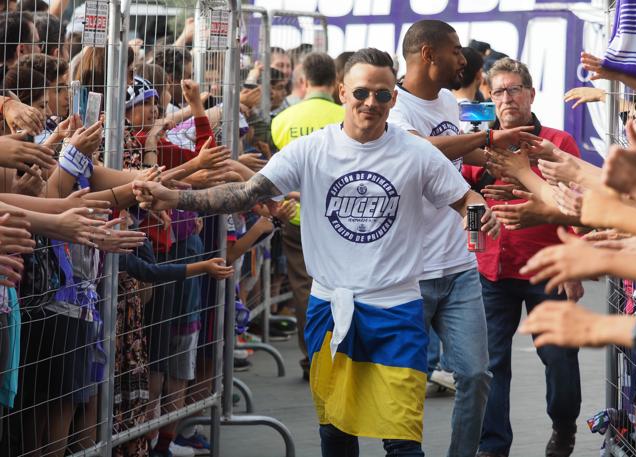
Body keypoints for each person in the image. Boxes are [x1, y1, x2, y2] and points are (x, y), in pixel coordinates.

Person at [133, 47, 498, 457]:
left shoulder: (416, 154)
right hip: (332, 309)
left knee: (402, 437)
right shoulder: (311, 150)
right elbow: (244, 193)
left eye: (382, 95)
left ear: (394, 98)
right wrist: (173, 196)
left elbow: (469, 200)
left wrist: (478, 230)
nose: (370, 104)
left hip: (397, 311)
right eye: (361, 93)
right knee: (336, 433)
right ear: (343, 92)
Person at [388, 20, 500, 457]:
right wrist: (489, 137)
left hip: (458, 269)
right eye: (455, 50)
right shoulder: (394, 109)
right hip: (410, 274)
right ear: (428, 54)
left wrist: (511, 162)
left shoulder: (450, 101)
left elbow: (459, 164)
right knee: (405, 381)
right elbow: (423, 152)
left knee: (475, 375)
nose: (464, 59)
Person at [461, 57, 584, 457]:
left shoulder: (557, 142)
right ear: (488, 98)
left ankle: (564, 427)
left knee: (561, 359)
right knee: (491, 366)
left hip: (548, 266)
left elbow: (574, 207)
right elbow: (468, 198)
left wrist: (575, 264)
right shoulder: (477, 145)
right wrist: (476, 247)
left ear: (530, 94)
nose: (506, 97)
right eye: (497, 91)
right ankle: (493, 447)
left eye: (514, 89)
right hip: (492, 271)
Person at [270, 52, 344, 379]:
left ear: (303, 81)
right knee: (343, 284)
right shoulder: (347, 116)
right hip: (342, 217)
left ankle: (312, 355)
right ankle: (342, 351)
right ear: (336, 82)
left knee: (304, 289)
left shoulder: (282, 120)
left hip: (296, 215)